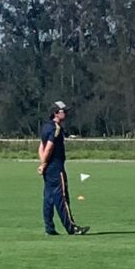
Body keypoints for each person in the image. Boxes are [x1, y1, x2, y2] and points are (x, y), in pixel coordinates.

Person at [38, 101, 89, 236]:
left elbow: (41, 147)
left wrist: (42, 164)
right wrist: (43, 164)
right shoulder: (56, 128)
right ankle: (71, 228)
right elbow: (48, 147)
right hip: (55, 167)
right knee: (62, 197)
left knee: (49, 198)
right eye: (63, 111)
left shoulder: (45, 127)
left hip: (49, 167)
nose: (65, 113)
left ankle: (49, 228)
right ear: (55, 113)